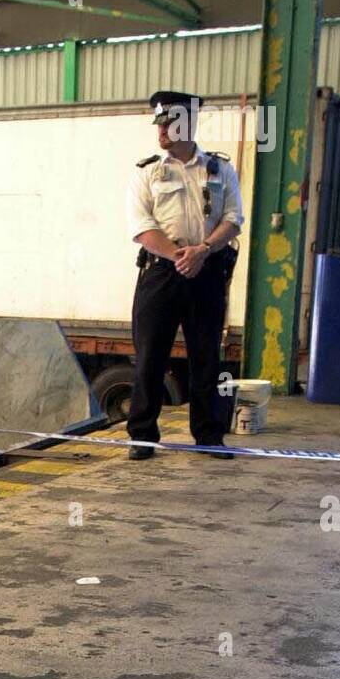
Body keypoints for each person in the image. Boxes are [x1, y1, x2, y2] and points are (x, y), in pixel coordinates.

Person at [126, 91, 244, 460]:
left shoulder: (220, 169)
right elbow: (142, 226)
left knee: (207, 357)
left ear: (188, 124)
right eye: (158, 123)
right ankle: (142, 436)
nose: (161, 131)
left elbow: (233, 219)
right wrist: (181, 256)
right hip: (161, 272)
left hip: (206, 271)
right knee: (149, 357)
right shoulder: (147, 171)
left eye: (169, 123)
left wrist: (203, 250)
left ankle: (210, 435)